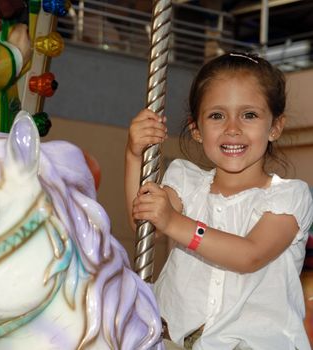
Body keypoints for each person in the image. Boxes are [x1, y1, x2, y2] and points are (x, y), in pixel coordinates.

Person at [125, 52, 313, 349]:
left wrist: (175, 222)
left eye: (249, 115)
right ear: (196, 130)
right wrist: (135, 155)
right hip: (174, 333)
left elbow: (249, 255)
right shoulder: (186, 181)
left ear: (275, 126)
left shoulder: (288, 197)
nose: (232, 128)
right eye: (217, 115)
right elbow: (146, 224)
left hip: (253, 342)